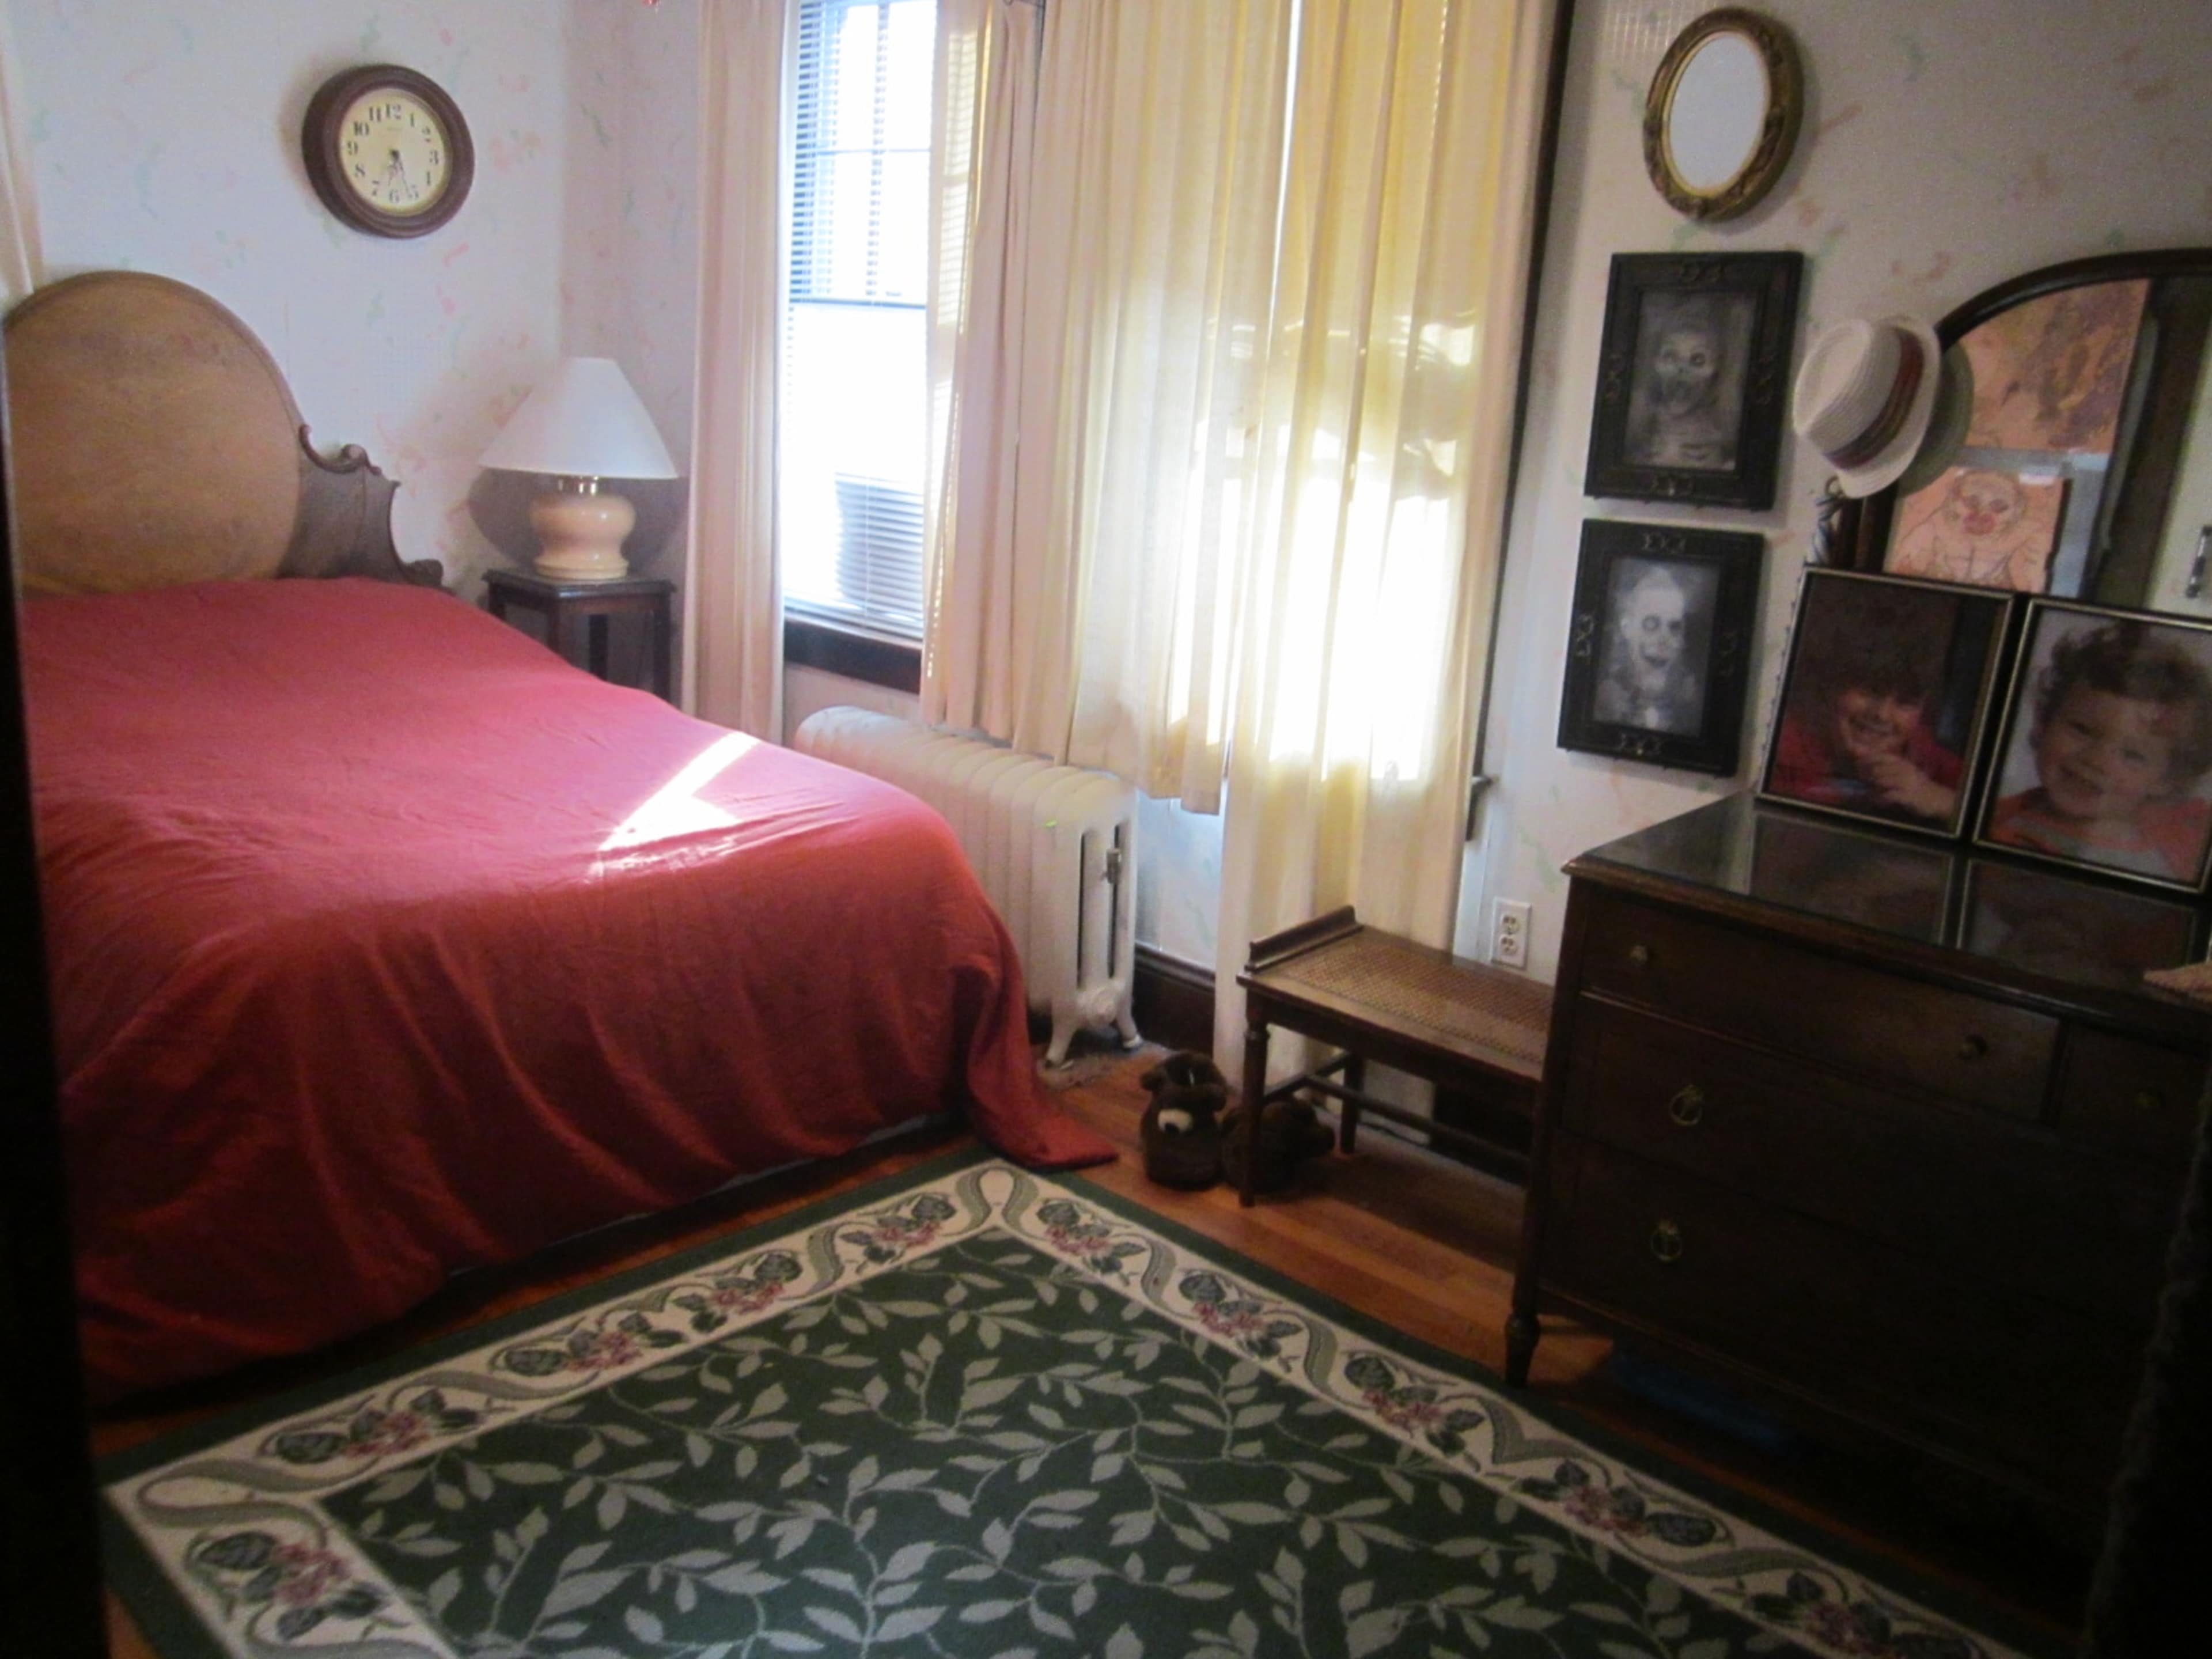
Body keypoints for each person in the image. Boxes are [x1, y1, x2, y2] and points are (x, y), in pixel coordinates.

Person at [1988, 622, 2212, 881]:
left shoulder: (2184, 835)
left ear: (2167, 779)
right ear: (2044, 723)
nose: (2096, 760)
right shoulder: (2007, 824)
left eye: (2133, 755)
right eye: (2083, 730)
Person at [1770, 635, 1963, 825]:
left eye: (1905, 702)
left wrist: (1940, 799)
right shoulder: (1782, 745)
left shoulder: (1927, 756)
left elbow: (1990, 817)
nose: (1882, 715)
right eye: (1872, 692)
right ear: (1833, 690)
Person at [1627, 297, 1737, 472]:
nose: (1681, 370)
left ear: (1717, 369)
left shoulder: (1717, 431)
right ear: (1656, 362)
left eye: (1698, 360)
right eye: (1671, 356)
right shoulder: (1643, 420)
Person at [1592, 564, 1703, 734]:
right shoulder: (1605, 699)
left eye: (1674, 627)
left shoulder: (1691, 701)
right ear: (1627, 627)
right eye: (1651, 624)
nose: (1664, 640)